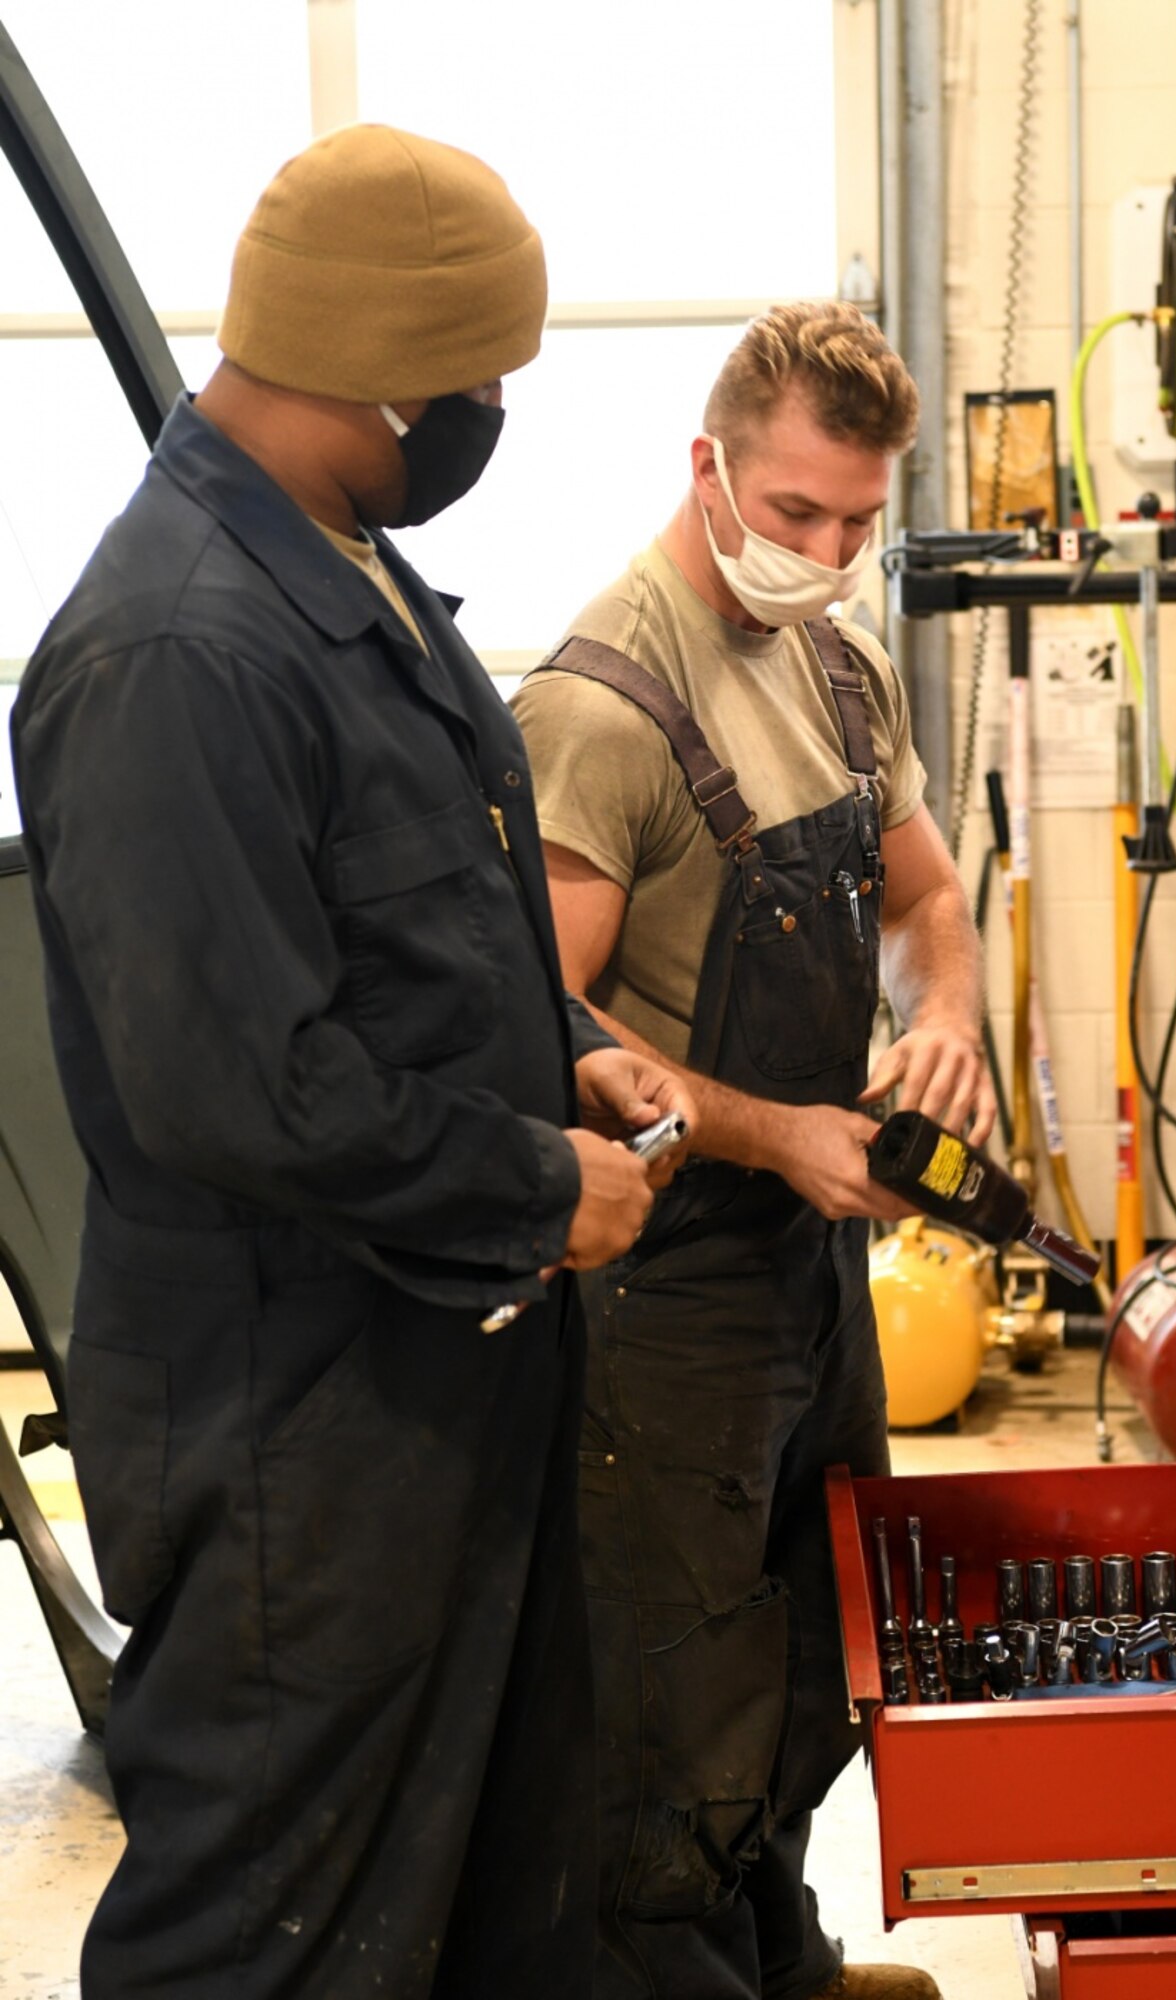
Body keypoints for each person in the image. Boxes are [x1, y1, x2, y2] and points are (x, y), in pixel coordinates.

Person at [12, 124, 692, 1999]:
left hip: (430, 1381)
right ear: (386, 371)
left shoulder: (348, 566)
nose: (488, 412)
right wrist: (541, 1186)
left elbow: (410, 938)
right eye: (479, 380)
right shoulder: (176, 650)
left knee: (477, 1890)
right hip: (289, 1433)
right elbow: (236, 1083)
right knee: (269, 1937)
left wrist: (570, 1052)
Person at [510, 302, 997, 2000]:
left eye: (858, 521)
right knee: (674, 1700)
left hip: (812, 1262)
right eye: (795, 514)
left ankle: (779, 1960)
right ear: (705, 466)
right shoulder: (601, 705)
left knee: (803, 1655)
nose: (827, 552)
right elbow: (545, 1033)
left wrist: (943, 1016)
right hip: (669, 1302)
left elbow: (929, 895)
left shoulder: (840, 670)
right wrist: (770, 1128)